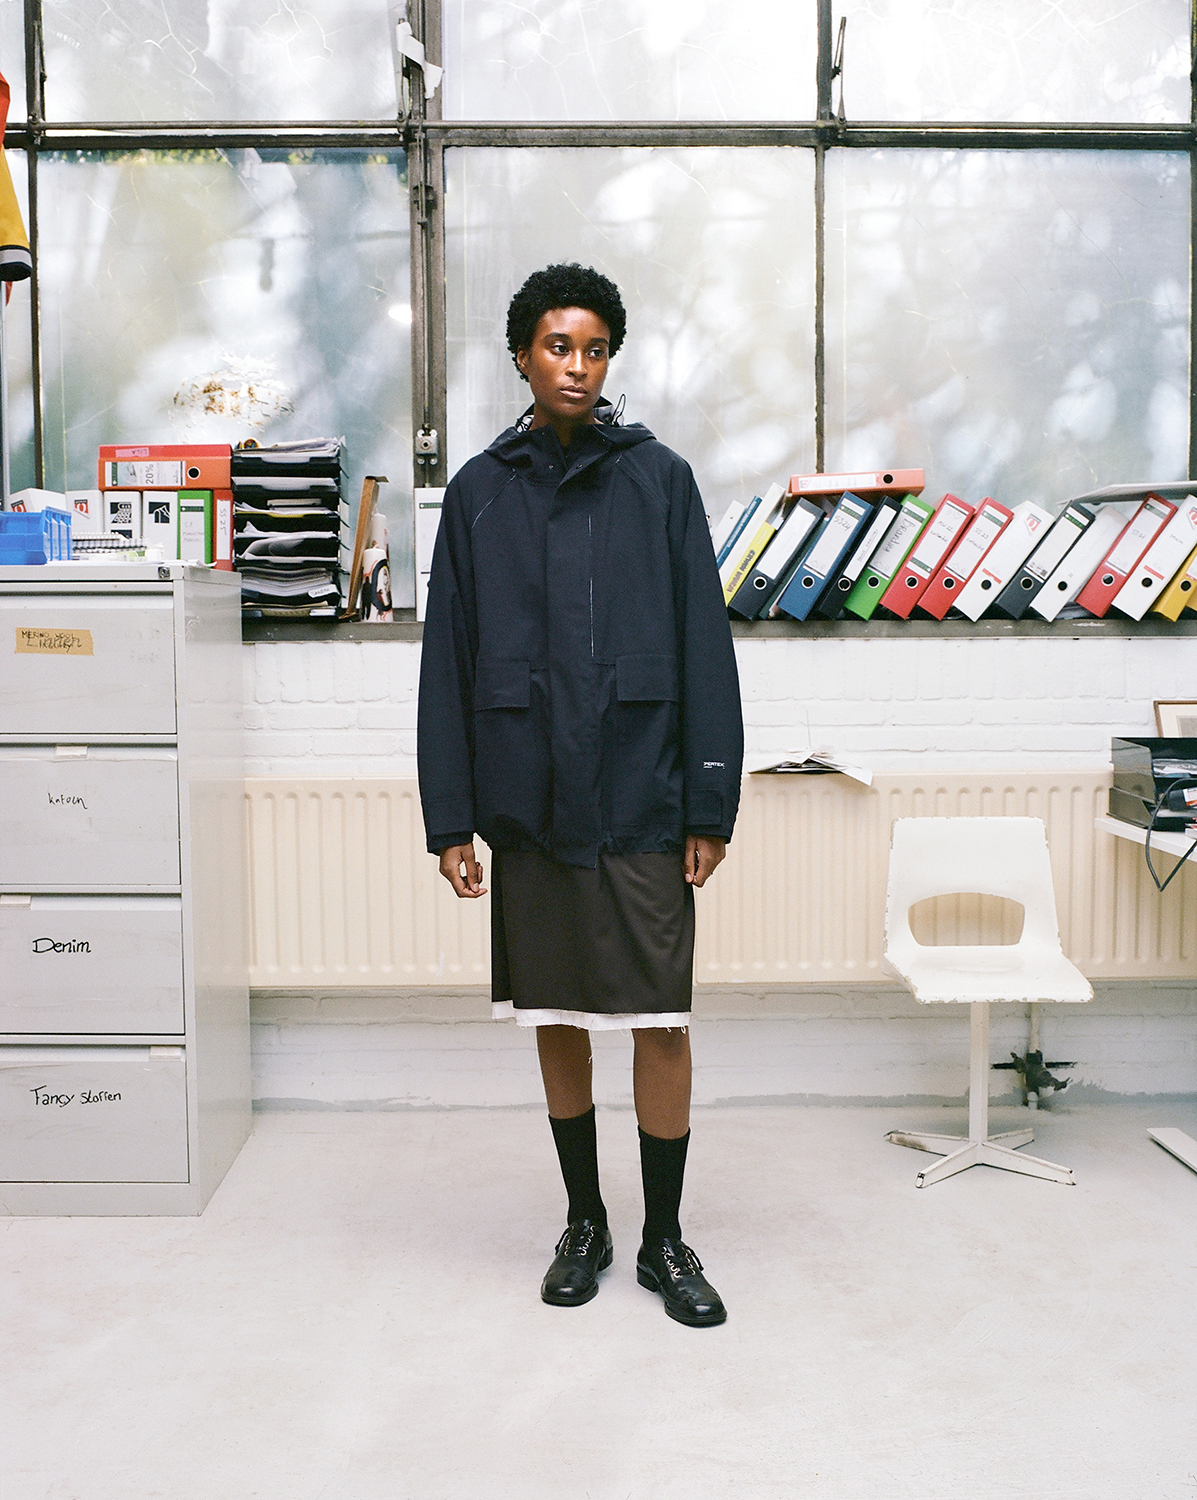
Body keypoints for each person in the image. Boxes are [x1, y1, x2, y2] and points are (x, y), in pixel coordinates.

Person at [417, 263, 743, 1327]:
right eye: (559, 346)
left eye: (595, 349)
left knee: (660, 1019)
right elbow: (448, 661)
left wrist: (709, 806)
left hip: (642, 790)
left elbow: (705, 649)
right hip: (529, 797)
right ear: (522, 355)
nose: (578, 366)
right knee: (555, 1012)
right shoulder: (479, 493)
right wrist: (449, 816)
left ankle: (664, 1238)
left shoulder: (660, 481)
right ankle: (585, 1221)